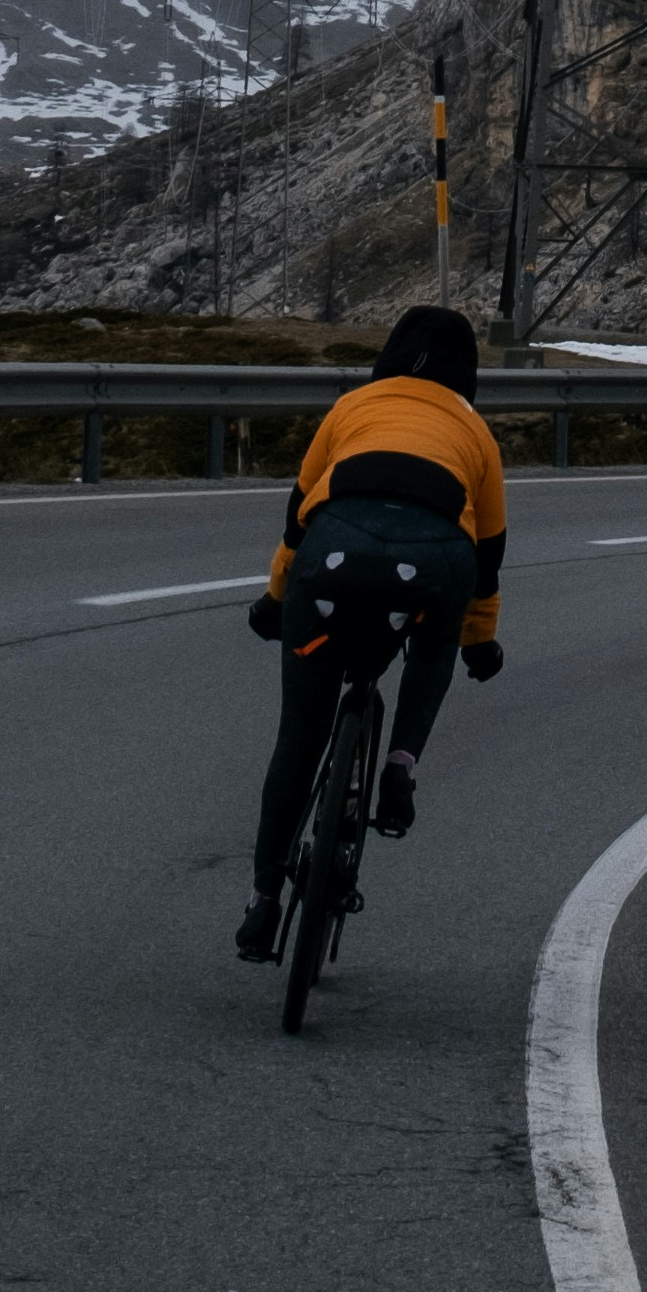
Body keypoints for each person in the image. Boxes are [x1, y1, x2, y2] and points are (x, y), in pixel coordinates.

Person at [237, 302, 507, 960]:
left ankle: (265, 905)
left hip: (332, 559)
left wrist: (276, 600)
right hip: (436, 563)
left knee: (300, 734)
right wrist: (478, 640)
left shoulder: (350, 408)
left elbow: (298, 524)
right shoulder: (476, 434)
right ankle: (399, 765)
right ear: (466, 371)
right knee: (435, 642)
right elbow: (489, 559)